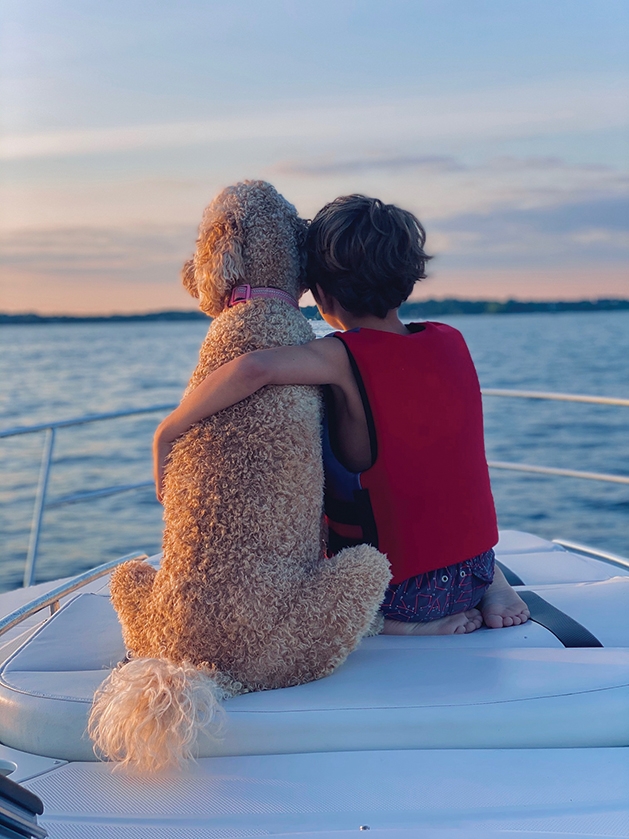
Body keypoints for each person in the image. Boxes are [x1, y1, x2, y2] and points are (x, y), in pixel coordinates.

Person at [154, 194, 529, 635]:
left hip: (400, 592)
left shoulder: (339, 357)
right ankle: (494, 583)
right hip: (474, 567)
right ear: (409, 277)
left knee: (310, 590)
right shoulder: (449, 339)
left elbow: (252, 368)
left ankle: (398, 627)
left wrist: (168, 430)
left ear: (322, 292)